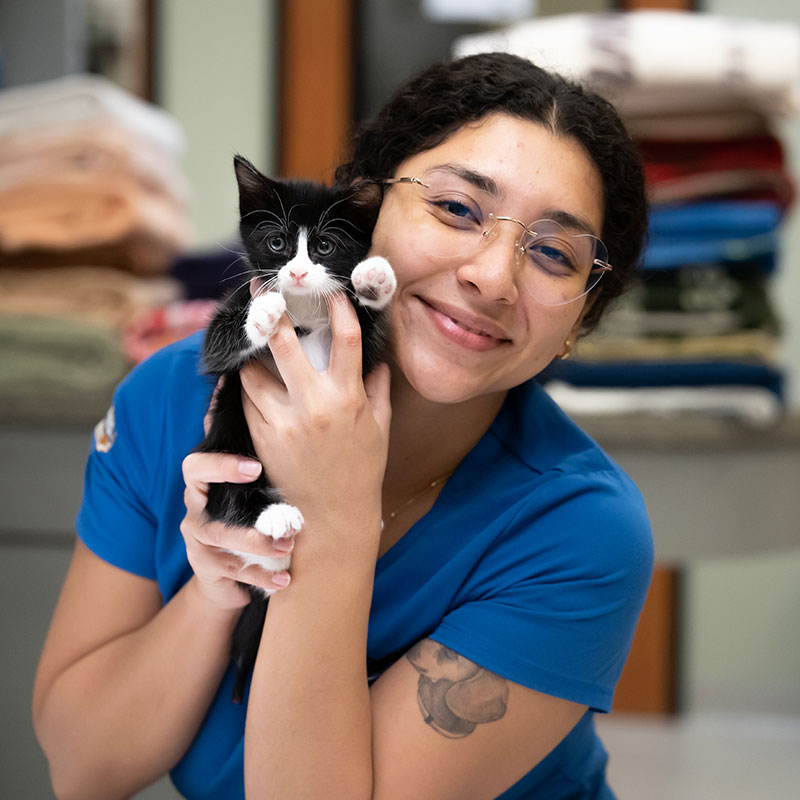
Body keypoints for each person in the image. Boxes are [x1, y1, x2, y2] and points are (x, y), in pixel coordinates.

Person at [33, 52, 653, 800]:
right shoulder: (171, 398)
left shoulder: (579, 529)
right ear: (364, 208)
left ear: (580, 321)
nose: (492, 277)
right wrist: (215, 588)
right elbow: (82, 767)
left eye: (553, 253)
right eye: (457, 209)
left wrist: (334, 518)